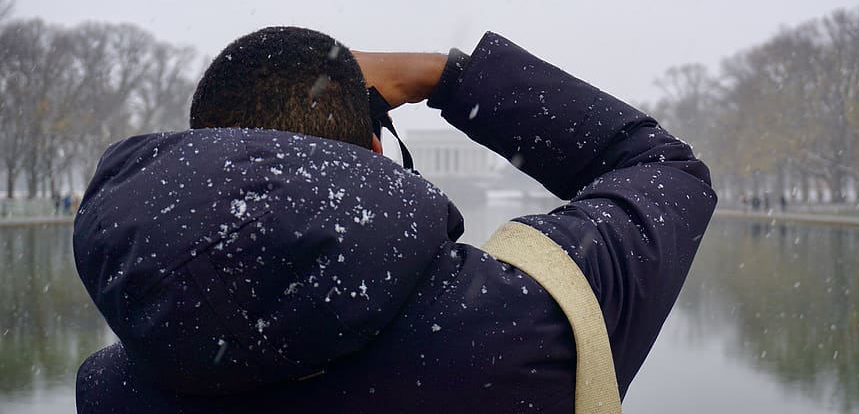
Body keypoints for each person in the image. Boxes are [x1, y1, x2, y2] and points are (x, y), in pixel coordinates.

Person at [73, 28, 716, 413]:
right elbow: (664, 169)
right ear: (377, 148)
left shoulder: (112, 390)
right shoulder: (534, 319)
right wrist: (449, 78)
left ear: (203, 155)